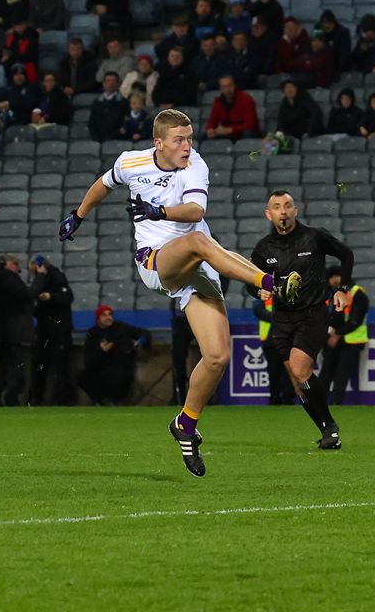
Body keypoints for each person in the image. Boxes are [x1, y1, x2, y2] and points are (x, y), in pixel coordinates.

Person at [59, 109, 301, 476]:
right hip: (156, 262)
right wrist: (78, 215)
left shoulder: (195, 166)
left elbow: (193, 210)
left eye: (190, 138)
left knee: (218, 356)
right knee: (201, 241)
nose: (187, 146)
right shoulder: (131, 161)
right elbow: (104, 184)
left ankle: (185, 424)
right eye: (179, 140)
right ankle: (269, 284)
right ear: (159, 143)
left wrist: (157, 210)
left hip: (195, 265)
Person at [247, 191, 354, 448]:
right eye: (276, 207)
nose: (283, 211)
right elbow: (251, 279)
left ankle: (330, 425)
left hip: (313, 314)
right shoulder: (263, 248)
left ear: (295, 210)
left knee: (299, 369)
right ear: (268, 214)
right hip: (282, 318)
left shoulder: (314, 237)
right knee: (297, 384)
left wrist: (342, 289)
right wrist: (258, 290)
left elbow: (346, 255)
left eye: (287, 206)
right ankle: (328, 431)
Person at [79, 304, 150, 405]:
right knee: (83, 376)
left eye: (110, 314)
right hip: (101, 368)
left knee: (118, 376)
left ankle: (113, 400)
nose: (108, 317)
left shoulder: (121, 328)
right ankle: (99, 401)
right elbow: (89, 361)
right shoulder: (93, 334)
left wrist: (140, 342)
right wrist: (102, 352)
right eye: (104, 315)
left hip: (121, 367)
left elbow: (144, 333)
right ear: (98, 318)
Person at [320, 264, 369, 407]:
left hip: (351, 340)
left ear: (336, 278)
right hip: (335, 338)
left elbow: (356, 320)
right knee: (327, 370)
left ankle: (336, 402)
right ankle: (320, 402)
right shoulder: (331, 293)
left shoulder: (357, 293)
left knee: (341, 372)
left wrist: (337, 334)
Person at [28, 254, 74, 405]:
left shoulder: (56, 278)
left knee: (58, 368)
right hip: (46, 330)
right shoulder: (42, 280)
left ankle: (58, 399)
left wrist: (50, 297)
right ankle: (40, 398)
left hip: (57, 331)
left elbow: (67, 297)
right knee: (42, 366)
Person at [0, 254, 34, 406]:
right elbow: (27, 295)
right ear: (6, 264)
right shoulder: (9, 280)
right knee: (14, 367)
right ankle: (11, 397)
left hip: (4, 332)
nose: (18, 267)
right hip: (12, 333)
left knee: (4, 368)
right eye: (15, 263)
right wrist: (40, 277)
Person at [253, 293, 295, 404]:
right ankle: (275, 398)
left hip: (287, 338)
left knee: (288, 372)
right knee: (274, 371)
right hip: (270, 340)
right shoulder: (263, 293)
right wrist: (280, 318)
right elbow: (258, 310)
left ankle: (288, 398)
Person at [204, 75, 261, 140]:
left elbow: (250, 125)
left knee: (248, 133)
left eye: (229, 86)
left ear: (234, 86)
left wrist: (231, 130)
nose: (227, 90)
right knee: (205, 136)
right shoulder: (218, 101)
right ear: (220, 89)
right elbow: (212, 121)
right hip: (227, 133)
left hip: (243, 132)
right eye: (224, 87)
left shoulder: (246, 99)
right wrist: (210, 129)